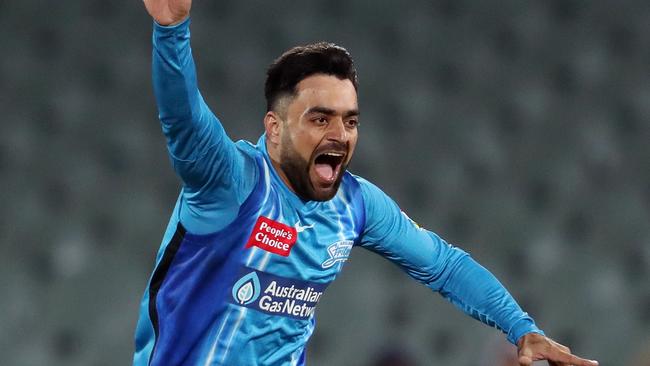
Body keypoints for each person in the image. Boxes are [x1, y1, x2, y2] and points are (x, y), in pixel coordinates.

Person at [133, 1, 600, 365]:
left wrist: (521, 328)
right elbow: (184, 120)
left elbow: (444, 266)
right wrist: (171, 31)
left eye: (350, 121)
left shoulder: (354, 204)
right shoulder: (233, 182)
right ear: (274, 128)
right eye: (320, 118)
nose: (339, 134)